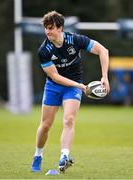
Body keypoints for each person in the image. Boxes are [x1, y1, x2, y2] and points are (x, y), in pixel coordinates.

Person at [31, 10, 110, 173]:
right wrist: (81, 86)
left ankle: (64, 157)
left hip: (73, 86)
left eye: (51, 27)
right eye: (46, 27)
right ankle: (38, 155)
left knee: (69, 120)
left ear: (60, 28)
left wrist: (104, 77)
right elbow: (55, 76)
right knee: (45, 125)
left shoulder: (75, 40)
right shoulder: (44, 50)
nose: (47, 31)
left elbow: (103, 51)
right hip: (54, 86)